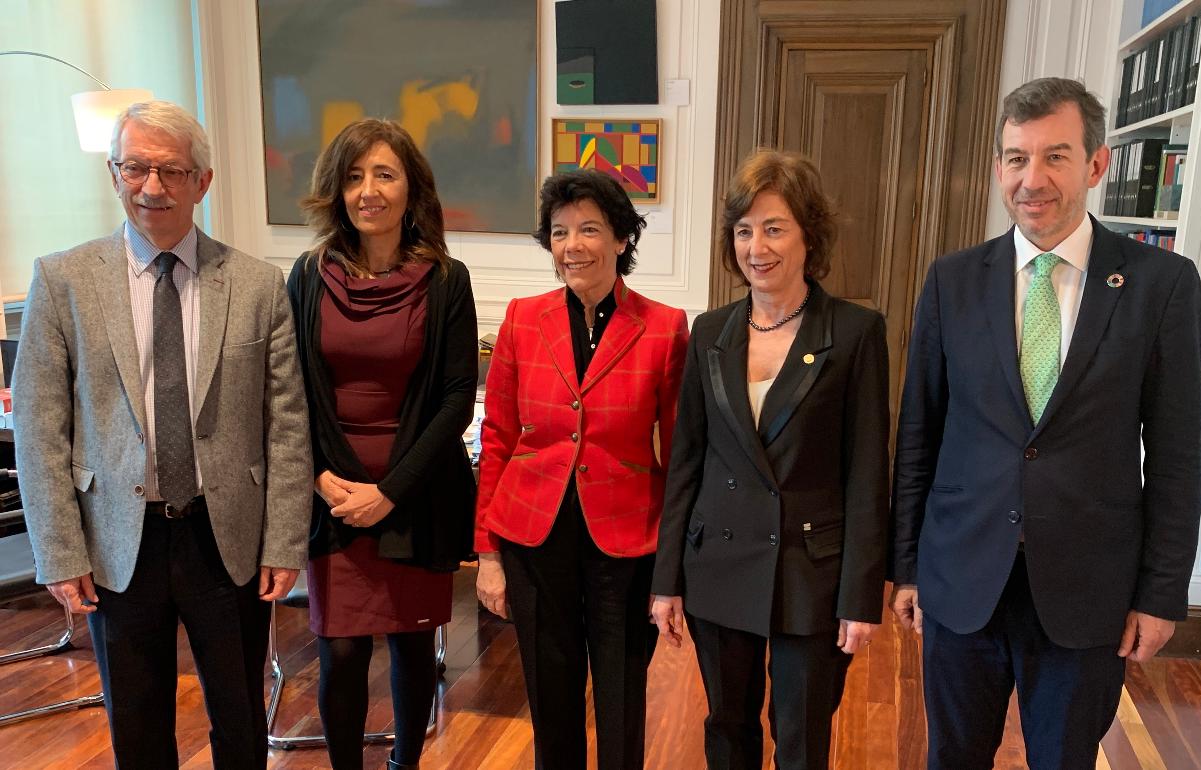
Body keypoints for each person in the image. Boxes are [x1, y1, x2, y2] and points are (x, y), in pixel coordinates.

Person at [890, 77, 1201, 770]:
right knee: (953, 756)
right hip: (962, 579)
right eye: (1015, 158)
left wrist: (1161, 594)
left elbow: (1177, 453)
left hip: (1087, 592)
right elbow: (920, 432)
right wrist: (906, 566)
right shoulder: (951, 280)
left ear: (1097, 165)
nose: (1031, 179)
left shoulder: (1161, 285)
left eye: (1054, 157)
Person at [12, 100, 312, 769]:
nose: (153, 187)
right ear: (114, 175)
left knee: (240, 721)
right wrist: (59, 551)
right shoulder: (62, 281)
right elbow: (39, 426)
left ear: (202, 182)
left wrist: (286, 538)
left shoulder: (259, 286)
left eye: (171, 170)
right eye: (137, 168)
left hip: (226, 535)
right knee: (138, 725)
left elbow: (288, 423)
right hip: (117, 542)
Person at [650, 149, 891, 770]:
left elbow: (868, 473)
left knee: (802, 735)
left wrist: (861, 596)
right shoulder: (710, 331)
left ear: (810, 235)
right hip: (719, 561)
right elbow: (686, 461)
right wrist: (667, 580)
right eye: (743, 230)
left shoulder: (856, 331)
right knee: (728, 726)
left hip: (810, 571)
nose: (757, 246)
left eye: (775, 227)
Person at [474, 168, 688, 770]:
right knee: (550, 695)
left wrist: (672, 569)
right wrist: (488, 554)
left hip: (626, 539)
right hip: (532, 538)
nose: (573, 246)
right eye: (560, 232)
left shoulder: (666, 328)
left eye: (589, 229)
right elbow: (498, 438)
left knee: (622, 693)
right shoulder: (521, 318)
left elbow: (678, 456)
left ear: (621, 238)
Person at [287, 118, 478, 770]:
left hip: (416, 489)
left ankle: (405, 765)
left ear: (411, 188)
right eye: (354, 176)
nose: (368, 190)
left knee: (411, 642)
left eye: (384, 174)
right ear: (337, 191)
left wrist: (391, 491)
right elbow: (291, 390)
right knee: (340, 648)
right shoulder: (309, 274)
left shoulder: (447, 280)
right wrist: (320, 477)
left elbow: (456, 397)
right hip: (333, 493)